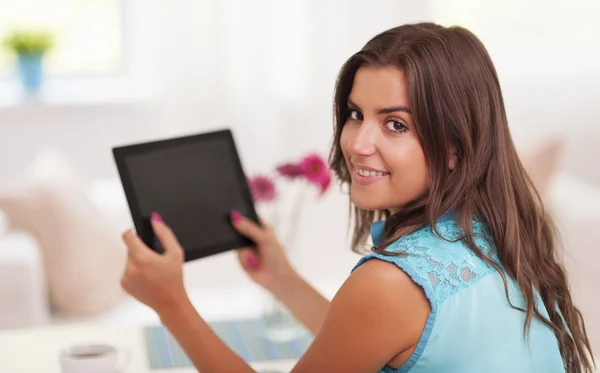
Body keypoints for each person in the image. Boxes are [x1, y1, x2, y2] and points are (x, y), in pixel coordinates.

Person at [120, 22, 595, 373]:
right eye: (354, 113)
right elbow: (379, 340)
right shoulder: (501, 234)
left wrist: (172, 305)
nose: (357, 142)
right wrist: (282, 279)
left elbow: (382, 316)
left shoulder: (389, 284)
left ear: (454, 147)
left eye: (395, 124)